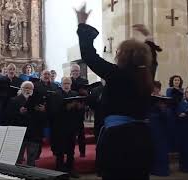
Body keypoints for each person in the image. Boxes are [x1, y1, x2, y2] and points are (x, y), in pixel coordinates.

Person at [75, 4, 154, 179]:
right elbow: (152, 59)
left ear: (123, 56)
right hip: (142, 137)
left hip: (119, 140)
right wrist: (148, 37)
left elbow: (89, 56)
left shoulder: (117, 74)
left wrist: (82, 24)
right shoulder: (146, 74)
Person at [50, 77, 81, 178]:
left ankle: (70, 169)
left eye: (68, 83)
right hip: (60, 127)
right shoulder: (56, 94)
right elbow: (53, 111)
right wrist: (65, 108)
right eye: (64, 83)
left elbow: (79, 112)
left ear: (71, 84)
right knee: (60, 150)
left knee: (71, 150)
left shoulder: (75, 94)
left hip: (72, 126)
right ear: (61, 84)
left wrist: (79, 108)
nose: (66, 85)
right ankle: (60, 171)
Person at [7, 81, 41, 166]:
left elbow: (41, 117)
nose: (28, 90)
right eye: (26, 88)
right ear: (21, 89)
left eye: (30, 88)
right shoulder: (13, 100)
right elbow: (8, 115)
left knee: (32, 157)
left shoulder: (37, 101)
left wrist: (42, 110)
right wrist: (19, 112)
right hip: (19, 131)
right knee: (18, 157)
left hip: (33, 132)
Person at [149, 81, 171, 176]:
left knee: (161, 148)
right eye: (154, 88)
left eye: (157, 88)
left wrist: (162, 107)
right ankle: (151, 168)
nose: (155, 89)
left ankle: (161, 169)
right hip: (150, 125)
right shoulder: (147, 97)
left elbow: (166, 114)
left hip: (160, 125)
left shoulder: (163, 98)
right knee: (151, 147)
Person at [70, 64, 88, 157]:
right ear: (71, 72)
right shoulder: (68, 81)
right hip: (70, 108)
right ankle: (70, 151)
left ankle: (82, 152)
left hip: (80, 108)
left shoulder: (84, 81)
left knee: (81, 132)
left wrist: (83, 102)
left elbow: (86, 95)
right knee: (71, 133)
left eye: (76, 71)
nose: (75, 72)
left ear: (79, 71)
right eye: (73, 71)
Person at [166, 75, 184, 152]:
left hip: (181, 111)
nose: (177, 81)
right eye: (175, 80)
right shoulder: (169, 90)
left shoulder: (182, 90)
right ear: (172, 82)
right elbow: (170, 101)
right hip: (172, 112)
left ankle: (179, 147)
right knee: (172, 129)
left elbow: (182, 102)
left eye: (178, 80)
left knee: (179, 130)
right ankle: (172, 148)